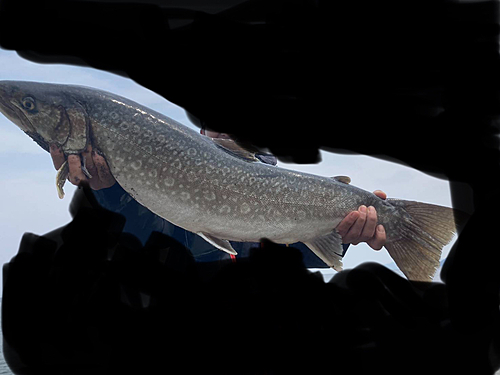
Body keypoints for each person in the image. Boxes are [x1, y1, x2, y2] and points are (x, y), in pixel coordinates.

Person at [48, 128, 387, 268]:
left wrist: (342, 235)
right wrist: (107, 193)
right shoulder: (164, 182)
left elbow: (293, 259)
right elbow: (142, 244)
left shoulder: (290, 192)